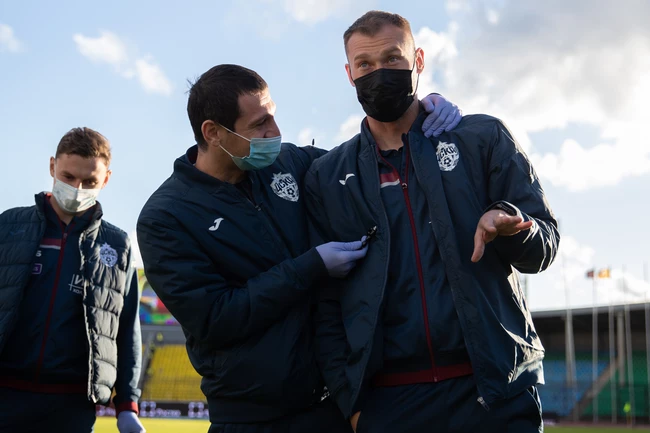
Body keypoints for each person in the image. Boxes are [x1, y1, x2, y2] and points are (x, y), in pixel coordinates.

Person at [136, 64, 462, 432]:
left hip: (333, 407)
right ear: (213, 132)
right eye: (260, 124)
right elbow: (215, 319)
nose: (275, 132)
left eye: (272, 115)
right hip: (252, 418)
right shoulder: (166, 218)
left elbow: (366, 159)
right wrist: (311, 267)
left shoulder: (293, 163)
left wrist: (417, 113)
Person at [304, 10, 560, 433]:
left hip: (495, 393)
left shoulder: (482, 138)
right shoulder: (328, 175)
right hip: (391, 404)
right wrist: (353, 406)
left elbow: (545, 242)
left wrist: (516, 225)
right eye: (365, 64)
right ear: (349, 74)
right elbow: (324, 300)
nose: (379, 73)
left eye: (393, 58)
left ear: (418, 60)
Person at [0, 128, 145, 433]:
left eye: (89, 181)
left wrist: (127, 405)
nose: (77, 188)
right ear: (52, 166)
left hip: (73, 407)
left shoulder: (117, 245)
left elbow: (126, 330)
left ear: (106, 179)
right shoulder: (8, 227)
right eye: (68, 177)